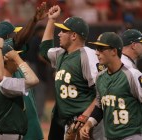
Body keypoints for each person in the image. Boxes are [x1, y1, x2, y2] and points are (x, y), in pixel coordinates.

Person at [39, 5, 105, 140]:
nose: (59, 34)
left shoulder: (87, 56)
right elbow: (44, 50)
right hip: (65, 121)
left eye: (63, 31)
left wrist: (85, 117)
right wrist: (51, 20)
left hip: (83, 122)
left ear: (74, 35)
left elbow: (102, 91)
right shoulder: (61, 54)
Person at [0, 2, 47, 140]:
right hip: (10, 129)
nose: (17, 37)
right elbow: (33, 81)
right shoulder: (6, 54)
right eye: (13, 35)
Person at [80, 32, 142, 140]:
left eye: (101, 49)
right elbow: (99, 107)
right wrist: (88, 123)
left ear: (114, 51)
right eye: (96, 49)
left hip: (132, 135)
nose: (96, 53)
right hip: (109, 137)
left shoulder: (132, 75)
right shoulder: (100, 77)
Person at [0, 46, 39, 140]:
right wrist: (18, 59)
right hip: (8, 135)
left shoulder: (0, 82)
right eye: (13, 59)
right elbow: (34, 80)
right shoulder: (5, 83)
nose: (16, 61)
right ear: (4, 61)